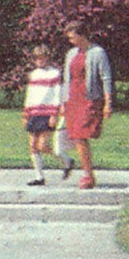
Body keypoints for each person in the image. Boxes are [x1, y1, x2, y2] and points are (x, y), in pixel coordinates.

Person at [62, 20, 113, 190]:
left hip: (89, 98)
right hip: (73, 99)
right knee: (77, 137)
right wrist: (63, 101)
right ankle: (87, 173)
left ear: (82, 35)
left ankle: (87, 174)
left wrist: (108, 103)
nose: (70, 41)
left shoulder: (98, 52)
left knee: (81, 135)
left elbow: (106, 78)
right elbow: (66, 79)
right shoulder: (71, 54)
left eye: (72, 37)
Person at [21, 45, 76, 185]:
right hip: (34, 112)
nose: (40, 60)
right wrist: (26, 113)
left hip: (47, 112)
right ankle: (39, 177)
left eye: (42, 58)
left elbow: (57, 94)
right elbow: (30, 94)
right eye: (37, 58)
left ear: (47, 58)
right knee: (33, 145)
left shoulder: (54, 74)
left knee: (42, 145)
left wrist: (54, 114)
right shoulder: (33, 75)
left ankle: (66, 161)